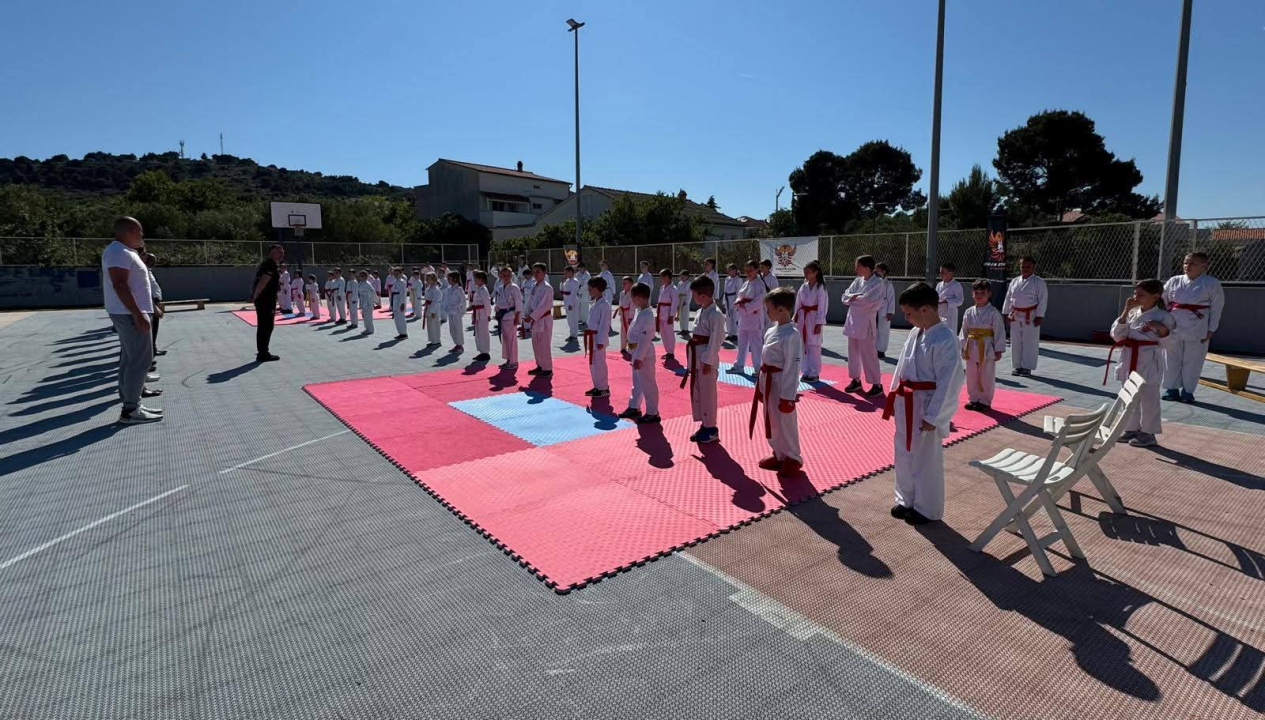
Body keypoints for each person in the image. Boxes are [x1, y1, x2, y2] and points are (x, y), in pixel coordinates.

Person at [885, 282, 964, 525]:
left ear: (926, 310)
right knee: (904, 452)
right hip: (906, 401)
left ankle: (927, 508)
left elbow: (950, 381)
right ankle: (905, 499)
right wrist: (893, 394)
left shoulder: (945, 338)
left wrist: (935, 417)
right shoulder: (915, 332)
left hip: (927, 404)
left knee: (925, 459)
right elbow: (902, 366)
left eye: (909, 313)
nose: (906, 318)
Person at [104, 217, 163, 423]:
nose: (142, 236)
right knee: (140, 360)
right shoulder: (118, 252)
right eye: (140, 232)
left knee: (130, 359)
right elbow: (120, 285)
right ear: (130, 231)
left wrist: (148, 308)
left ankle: (131, 403)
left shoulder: (124, 252)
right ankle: (131, 409)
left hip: (130, 311)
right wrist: (138, 314)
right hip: (129, 313)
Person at [1109, 279, 1175, 447]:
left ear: (1155, 296)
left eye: (1141, 294)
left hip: (1149, 360)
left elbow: (1170, 344)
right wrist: (1124, 313)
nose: (1136, 297)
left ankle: (1148, 433)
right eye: (1135, 293)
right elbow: (1117, 336)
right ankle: (1131, 428)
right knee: (1128, 395)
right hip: (1129, 356)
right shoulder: (1132, 313)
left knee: (1149, 398)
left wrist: (1161, 329)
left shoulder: (1164, 317)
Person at [1162, 252, 1225, 403]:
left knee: (1193, 361)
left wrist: (1211, 329)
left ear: (1204, 266)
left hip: (1198, 328)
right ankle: (1171, 389)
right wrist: (1162, 324)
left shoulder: (1212, 283)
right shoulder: (1174, 281)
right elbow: (1163, 302)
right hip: (1173, 325)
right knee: (1170, 359)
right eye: (1185, 263)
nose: (1187, 266)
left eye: (1192, 264)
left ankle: (1188, 392)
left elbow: (1217, 307)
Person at [753, 287, 803, 475]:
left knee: (785, 420)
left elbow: (793, 367)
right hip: (768, 379)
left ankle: (793, 457)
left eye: (769, 308)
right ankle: (779, 453)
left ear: (782, 309)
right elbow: (764, 361)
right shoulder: (771, 331)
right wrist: (760, 385)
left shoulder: (792, 334)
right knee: (771, 417)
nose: (767, 312)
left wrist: (788, 396)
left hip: (782, 381)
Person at [684, 275, 725, 443]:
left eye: (695, 294)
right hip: (697, 357)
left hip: (706, 360)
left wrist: (708, 361)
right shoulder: (702, 311)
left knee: (708, 395)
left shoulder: (716, 314)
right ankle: (704, 424)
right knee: (698, 392)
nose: (693, 297)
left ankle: (711, 429)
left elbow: (716, 340)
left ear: (703, 295)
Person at [841, 255, 886, 396]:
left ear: (867, 268)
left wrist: (853, 298)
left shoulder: (878, 283)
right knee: (852, 353)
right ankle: (856, 380)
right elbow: (844, 297)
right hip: (853, 321)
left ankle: (876, 384)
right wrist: (853, 297)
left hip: (866, 323)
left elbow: (867, 301)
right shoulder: (857, 281)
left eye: (858, 266)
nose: (855, 269)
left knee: (869, 354)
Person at [961, 279, 1007, 411]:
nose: (979, 295)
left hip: (986, 346)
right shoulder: (968, 311)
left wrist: (998, 350)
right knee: (971, 373)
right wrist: (963, 347)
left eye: (982, 292)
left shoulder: (993, 312)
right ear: (972, 294)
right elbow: (964, 330)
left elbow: (999, 331)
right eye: (976, 292)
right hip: (971, 345)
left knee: (986, 374)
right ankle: (974, 398)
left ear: (989, 294)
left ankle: (985, 401)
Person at [619, 282, 659, 423]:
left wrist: (639, 358)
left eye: (633, 298)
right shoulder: (640, 311)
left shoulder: (647, 315)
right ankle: (634, 406)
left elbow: (645, 338)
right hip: (636, 351)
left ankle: (653, 412)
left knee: (648, 383)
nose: (632, 301)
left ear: (640, 298)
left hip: (644, 353)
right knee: (637, 382)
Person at [1002, 256, 1048, 377]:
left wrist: (1040, 316)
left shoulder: (1038, 282)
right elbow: (1008, 297)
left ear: (1033, 267)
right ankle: (1017, 366)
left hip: (1031, 315)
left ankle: (1027, 367)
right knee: (1016, 341)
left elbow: (1043, 300)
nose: (1025, 269)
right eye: (1023, 266)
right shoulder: (1015, 281)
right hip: (1015, 314)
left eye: (1028, 266)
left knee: (1030, 342)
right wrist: (1006, 312)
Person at [249, 243, 285, 363]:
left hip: (263, 299)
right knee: (266, 326)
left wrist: (255, 296)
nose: (282, 253)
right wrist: (256, 295)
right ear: (272, 252)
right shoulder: (270, 265)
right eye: (279, 251)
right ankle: (263, 353)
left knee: (263, 326)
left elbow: (257, 280)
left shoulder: (266, 263)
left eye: (282, 251)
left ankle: (262, 351)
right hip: (266, 300)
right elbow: (263, 282)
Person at [793, 260, 828, 382]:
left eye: (808, 272)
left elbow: (823, 307)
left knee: (814, 346)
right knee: (803, 345)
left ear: (816, 272)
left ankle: (814, 373)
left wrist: (819, 323)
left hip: (814, 318)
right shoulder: (804, 286)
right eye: (805, 272)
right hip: (803, 318)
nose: (806, 274)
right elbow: (798, 304)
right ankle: (806, 371)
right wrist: (795, 318)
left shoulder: (821, 287)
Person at [732, 260, 767, 374]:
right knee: (742, 344)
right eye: (746, 271)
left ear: (757, 270)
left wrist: (746, 305)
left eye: (750, 271)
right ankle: (739, 365)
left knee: (756, 346)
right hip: (743, 318)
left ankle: (758, 369)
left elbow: (760, 300)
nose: (748, 273)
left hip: (754, 319)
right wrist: (738, 303)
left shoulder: (760, 284)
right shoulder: (746, 283)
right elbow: (739, 295)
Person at [583, 276, 612, 397]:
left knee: (600, 363)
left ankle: (604, 388)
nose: (588, 290)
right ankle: (597, 386)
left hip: (599, 338)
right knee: (593, 363)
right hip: (592, 337)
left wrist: (600, 341)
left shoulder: (604, 305)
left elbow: (605, 325)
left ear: (597, 289)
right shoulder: (595, 303)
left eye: (590, 288)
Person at [527, 263, 555, 376]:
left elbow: (544, 306)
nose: (535, 274)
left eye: (538, 272)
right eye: (533, 272)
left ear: (544, 273)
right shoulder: (534, 286)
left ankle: (547, 369)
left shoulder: (547, 288)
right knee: (536, 344)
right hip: (535, 319)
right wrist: (527, 313)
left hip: (543, 319)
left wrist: (532, 316)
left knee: (544, 345)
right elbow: (529, 302)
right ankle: (540, 365)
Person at [495, 267, 522, 369]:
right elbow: (499, 301)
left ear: (512, 276)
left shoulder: (514, 287)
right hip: (502, 316)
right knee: (505, 340)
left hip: (511, 316)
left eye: (508, 275)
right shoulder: (501, 288)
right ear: (501, 275)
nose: (506, 277)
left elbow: (518, 303)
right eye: (504, 275)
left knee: (511, 340)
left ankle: (514, 362)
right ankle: (508, 360)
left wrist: (517, 317)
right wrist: (497, 311)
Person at [655, 269, 679, 361]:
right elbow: (659, 300)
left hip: (668, 313)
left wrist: (672, 315)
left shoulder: (674, 289)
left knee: (669, 333)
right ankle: (668, 351)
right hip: (661, 311)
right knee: (663, 333)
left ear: (668, 277)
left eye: (662, 277)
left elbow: (675, 303)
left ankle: (671, 352)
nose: (661, 279)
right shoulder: (662, 287)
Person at [875, 262, 896, 358]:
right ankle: (873, 348)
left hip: (884, 309)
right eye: (875, 270)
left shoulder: (888, 284)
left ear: (884, 271)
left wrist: (890, 311)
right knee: (873, 330)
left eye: (878, 270)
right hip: (874, 308)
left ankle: (881, 350)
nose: (876, 272)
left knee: (883, 330)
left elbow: (891, 299)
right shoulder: (874, 282)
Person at [470, 270, 492, 361]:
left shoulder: (484, 290)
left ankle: (486, 352)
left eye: (476, 279)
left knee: (483, 333)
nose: (474, 281)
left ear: (481, 280)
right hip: (477, 313)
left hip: (482, 314)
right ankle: (482, 351)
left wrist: (488, 314)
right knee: (478, 333)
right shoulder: (479, 289)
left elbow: (487, 303)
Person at [936, 263, 964, 334]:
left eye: (943, 272)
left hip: (950, 315)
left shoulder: (956, 285)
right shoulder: (939, 285)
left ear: (950, 274)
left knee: (949, 334)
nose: (940, 274)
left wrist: (947, 301)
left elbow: (960, 300)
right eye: (940, 272)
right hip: (939, 313)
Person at [444, 270, 466, 353]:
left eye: (449, 279)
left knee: (458, 329)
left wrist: (462, 310)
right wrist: (446, 308)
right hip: (450, 311)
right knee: (452, 329)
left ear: (455, 279)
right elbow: (447, 300)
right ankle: (457, 344)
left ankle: (460, 345)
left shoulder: (459, 289)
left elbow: (463, 301)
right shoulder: (449, 289)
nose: (448, 280)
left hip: (457, 311)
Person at [561, 266, 581, 341]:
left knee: (573, 319)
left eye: (566, 272)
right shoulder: (567, 280)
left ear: (570, 272)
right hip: (567, 300)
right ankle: (572, 334)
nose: (565, 274)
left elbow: (573, 293)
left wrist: (570, 304)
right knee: (569, 319)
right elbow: (563, 290)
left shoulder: (575, 281)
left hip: (572, 301)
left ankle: (574, 335)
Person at [423, 272, 443, 346]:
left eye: (429, 279)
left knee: (434, 325)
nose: (427, 281)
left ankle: (437, 341)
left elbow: (435, 301)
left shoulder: (436, 289)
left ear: (434, 280)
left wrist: (433, 311)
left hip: (434, 309)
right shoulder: (429, 288)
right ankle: (433, 340)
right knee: (430, 325)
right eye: (426, 279)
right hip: (429, 307)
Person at [723, 263, 742, 340]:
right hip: (727, 299)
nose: (728, 272)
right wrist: (724, 302)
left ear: (735, 271)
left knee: (735, 317)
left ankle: (735, 334)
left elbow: (739, 292)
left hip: (734, 299)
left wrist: (737, 302)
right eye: (728, 270)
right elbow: (725, 291)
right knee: (728, 317)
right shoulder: (727, 279)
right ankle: (729, 333)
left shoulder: (739, 279)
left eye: (730, 270)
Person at [389, 267, 409, 339]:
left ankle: (404, 333)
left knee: (401, 318)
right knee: (397, 318)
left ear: (401, 274)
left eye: (397, 273)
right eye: (394, 274)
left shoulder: (402, 282)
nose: (396, 275)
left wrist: (402, 304)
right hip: (395, 301)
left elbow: (403, 294)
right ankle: (400, 333)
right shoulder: (395, 281)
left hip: (400, 302)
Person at [616, 276, 634, 354]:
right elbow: (620, 304)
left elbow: (632, 306)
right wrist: (620, 312)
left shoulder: (633, 293)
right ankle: (623, 347)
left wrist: (630, 317)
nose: (623, 285)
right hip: (623, 314)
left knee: (631, 333)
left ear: (630, 284)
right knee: (623, 332)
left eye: (625, 283)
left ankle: (631, 349)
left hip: (629, 315)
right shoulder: (622, 293)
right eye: (622, 283)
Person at [575, 262, 592, 329]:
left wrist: (579, 292)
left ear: (584, 268)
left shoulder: (587, 275)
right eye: (578, 269)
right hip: (578, 293)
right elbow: (575, 282)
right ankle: (579, 319)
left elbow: (585, 285)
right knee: (578, 307)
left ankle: (585, 321)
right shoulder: (577, 274)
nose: (579, 270)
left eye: (580, 268)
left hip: (585, 293)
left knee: (584, 308)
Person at [676, 271, 693, 336]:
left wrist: (686, 301)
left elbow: (689, 293)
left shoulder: (689, 283)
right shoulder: (680, 283)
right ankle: (682, 329)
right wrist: (677, 301)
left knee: (685, 315)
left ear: (687, 276)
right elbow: (677, 291)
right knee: (680, 315)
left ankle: (686, 329)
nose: (682, 277)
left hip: (685, 299)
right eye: (681, 276)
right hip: (679, 298)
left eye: (684, 276)